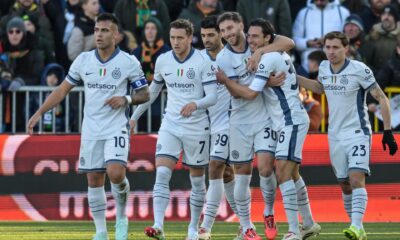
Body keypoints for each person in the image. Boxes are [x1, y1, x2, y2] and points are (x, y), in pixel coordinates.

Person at [27, 13, 150, 240]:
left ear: (116, 35)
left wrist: (127, 99)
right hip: (92, 129)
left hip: (116, 127)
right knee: (94, 180)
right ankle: (101, 232)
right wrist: (39, 112)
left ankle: (121, 218)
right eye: (96, 30)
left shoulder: (128, 62)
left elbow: (145, 93)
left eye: (104, 30)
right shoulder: (84, 60)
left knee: (115, 173)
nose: (99, 35)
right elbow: (62, 89)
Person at [217, 17, 321, 240]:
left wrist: (226, 79)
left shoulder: (265, 54)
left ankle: (288, 226)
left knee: (276, 172)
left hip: (284, 120)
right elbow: (241, 92)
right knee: (288, 174)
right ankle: (304, 223)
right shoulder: (230, 56)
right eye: (222, 30)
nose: (251, 41)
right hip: (256, 121)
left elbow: (252, 92)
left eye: (255, 36)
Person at [297, 31, 398, 240]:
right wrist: (293, 77)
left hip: (357, 132)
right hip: (334, 134)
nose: (331, 52)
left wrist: (388, 131)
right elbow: (319, 87)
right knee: (344, 183)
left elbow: (381, 97)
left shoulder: (359, 70)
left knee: (355, 179)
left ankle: (357, 226)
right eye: (328, 47)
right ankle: (356, 228)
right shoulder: (324, 67)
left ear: (346, 48)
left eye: (335, 47)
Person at [129, 19, 218, 240]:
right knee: (161, 174)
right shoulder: (163, 61)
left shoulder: (202, 62)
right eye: (172, 38)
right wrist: (133, 118)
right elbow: (152, 93)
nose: (176, 42)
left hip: (197, 127)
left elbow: (213, 96)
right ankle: (158, 225)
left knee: (197, 181)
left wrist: (195, 104)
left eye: (180, 38)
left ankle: (192, 230)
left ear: (190, 38)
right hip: (171, 125)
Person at [196, 15, 239, 240]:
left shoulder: (230, 56)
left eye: (211, 34)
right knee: (227, 173)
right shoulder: (198, 58)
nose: (206, 39)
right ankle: (245, 223)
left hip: (230, 120)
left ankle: (205, 227)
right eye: (203, 35)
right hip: (208, 122)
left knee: (214, 168)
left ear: (221, 34)